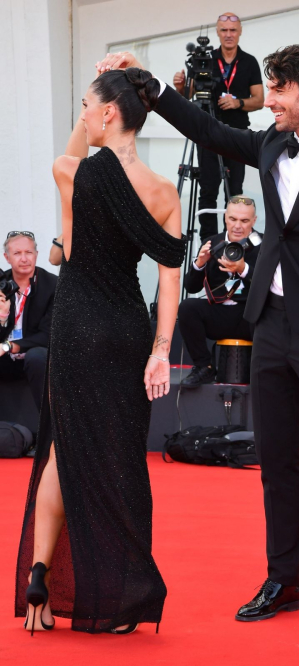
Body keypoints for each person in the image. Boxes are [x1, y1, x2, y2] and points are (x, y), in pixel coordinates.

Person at [97, 43, 299, 630]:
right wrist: (149, 87)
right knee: (275, 461)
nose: (267, 99)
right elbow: (211, 130)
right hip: (270, 325)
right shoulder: (269, 142)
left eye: (278, 89)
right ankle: (283, 580)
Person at [15, 67, 186, 635]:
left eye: (88, 105)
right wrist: (161, 349)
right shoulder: (165, 191)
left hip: (75, 325)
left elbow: (69, 160)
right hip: (129, 329)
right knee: (121, 459)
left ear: (109, 112)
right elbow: (168, 281)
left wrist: (99, 92)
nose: (84, 115)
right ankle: (120, 597)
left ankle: (40, 574)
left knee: (63, 451)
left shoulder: (74, 172)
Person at [173, 12, 263, 241]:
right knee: (208, 189)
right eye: (224, 30)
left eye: (233, 30)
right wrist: (181, 86)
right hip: (208, 133)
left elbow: (260, 99)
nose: (229, 35)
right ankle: (209, 242)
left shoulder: (249, 61)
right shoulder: (205, 60)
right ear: (217, 32)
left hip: (238, 135)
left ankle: (233, 240)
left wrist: (238, 102)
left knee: (234, 191)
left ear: (240, 31)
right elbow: (187, 96)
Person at [179, 195, 261, 388]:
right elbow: (191, 288)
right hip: (219, 314)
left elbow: (272, 288)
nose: (237, 226)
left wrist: (243, 270)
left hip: (250, 316)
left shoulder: (264, 244)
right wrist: (199, 264)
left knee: (273, 311)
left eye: (244, 220)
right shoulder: (211, 243)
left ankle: (267, 371)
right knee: (188, 307)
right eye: (233, 219)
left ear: (254, 221)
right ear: (225, 217)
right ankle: (203, 367)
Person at [0, 231, 57, 412]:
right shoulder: (2, 284)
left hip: (35, 357)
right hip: (5, 360)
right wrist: (2, 318)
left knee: (37, 356)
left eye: (28, 252)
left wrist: (9, 346)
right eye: (17, 253)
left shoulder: (53, 285)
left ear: (36, 255)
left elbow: (48, 335)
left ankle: (50, 429)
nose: (24, 259)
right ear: (7, 257)